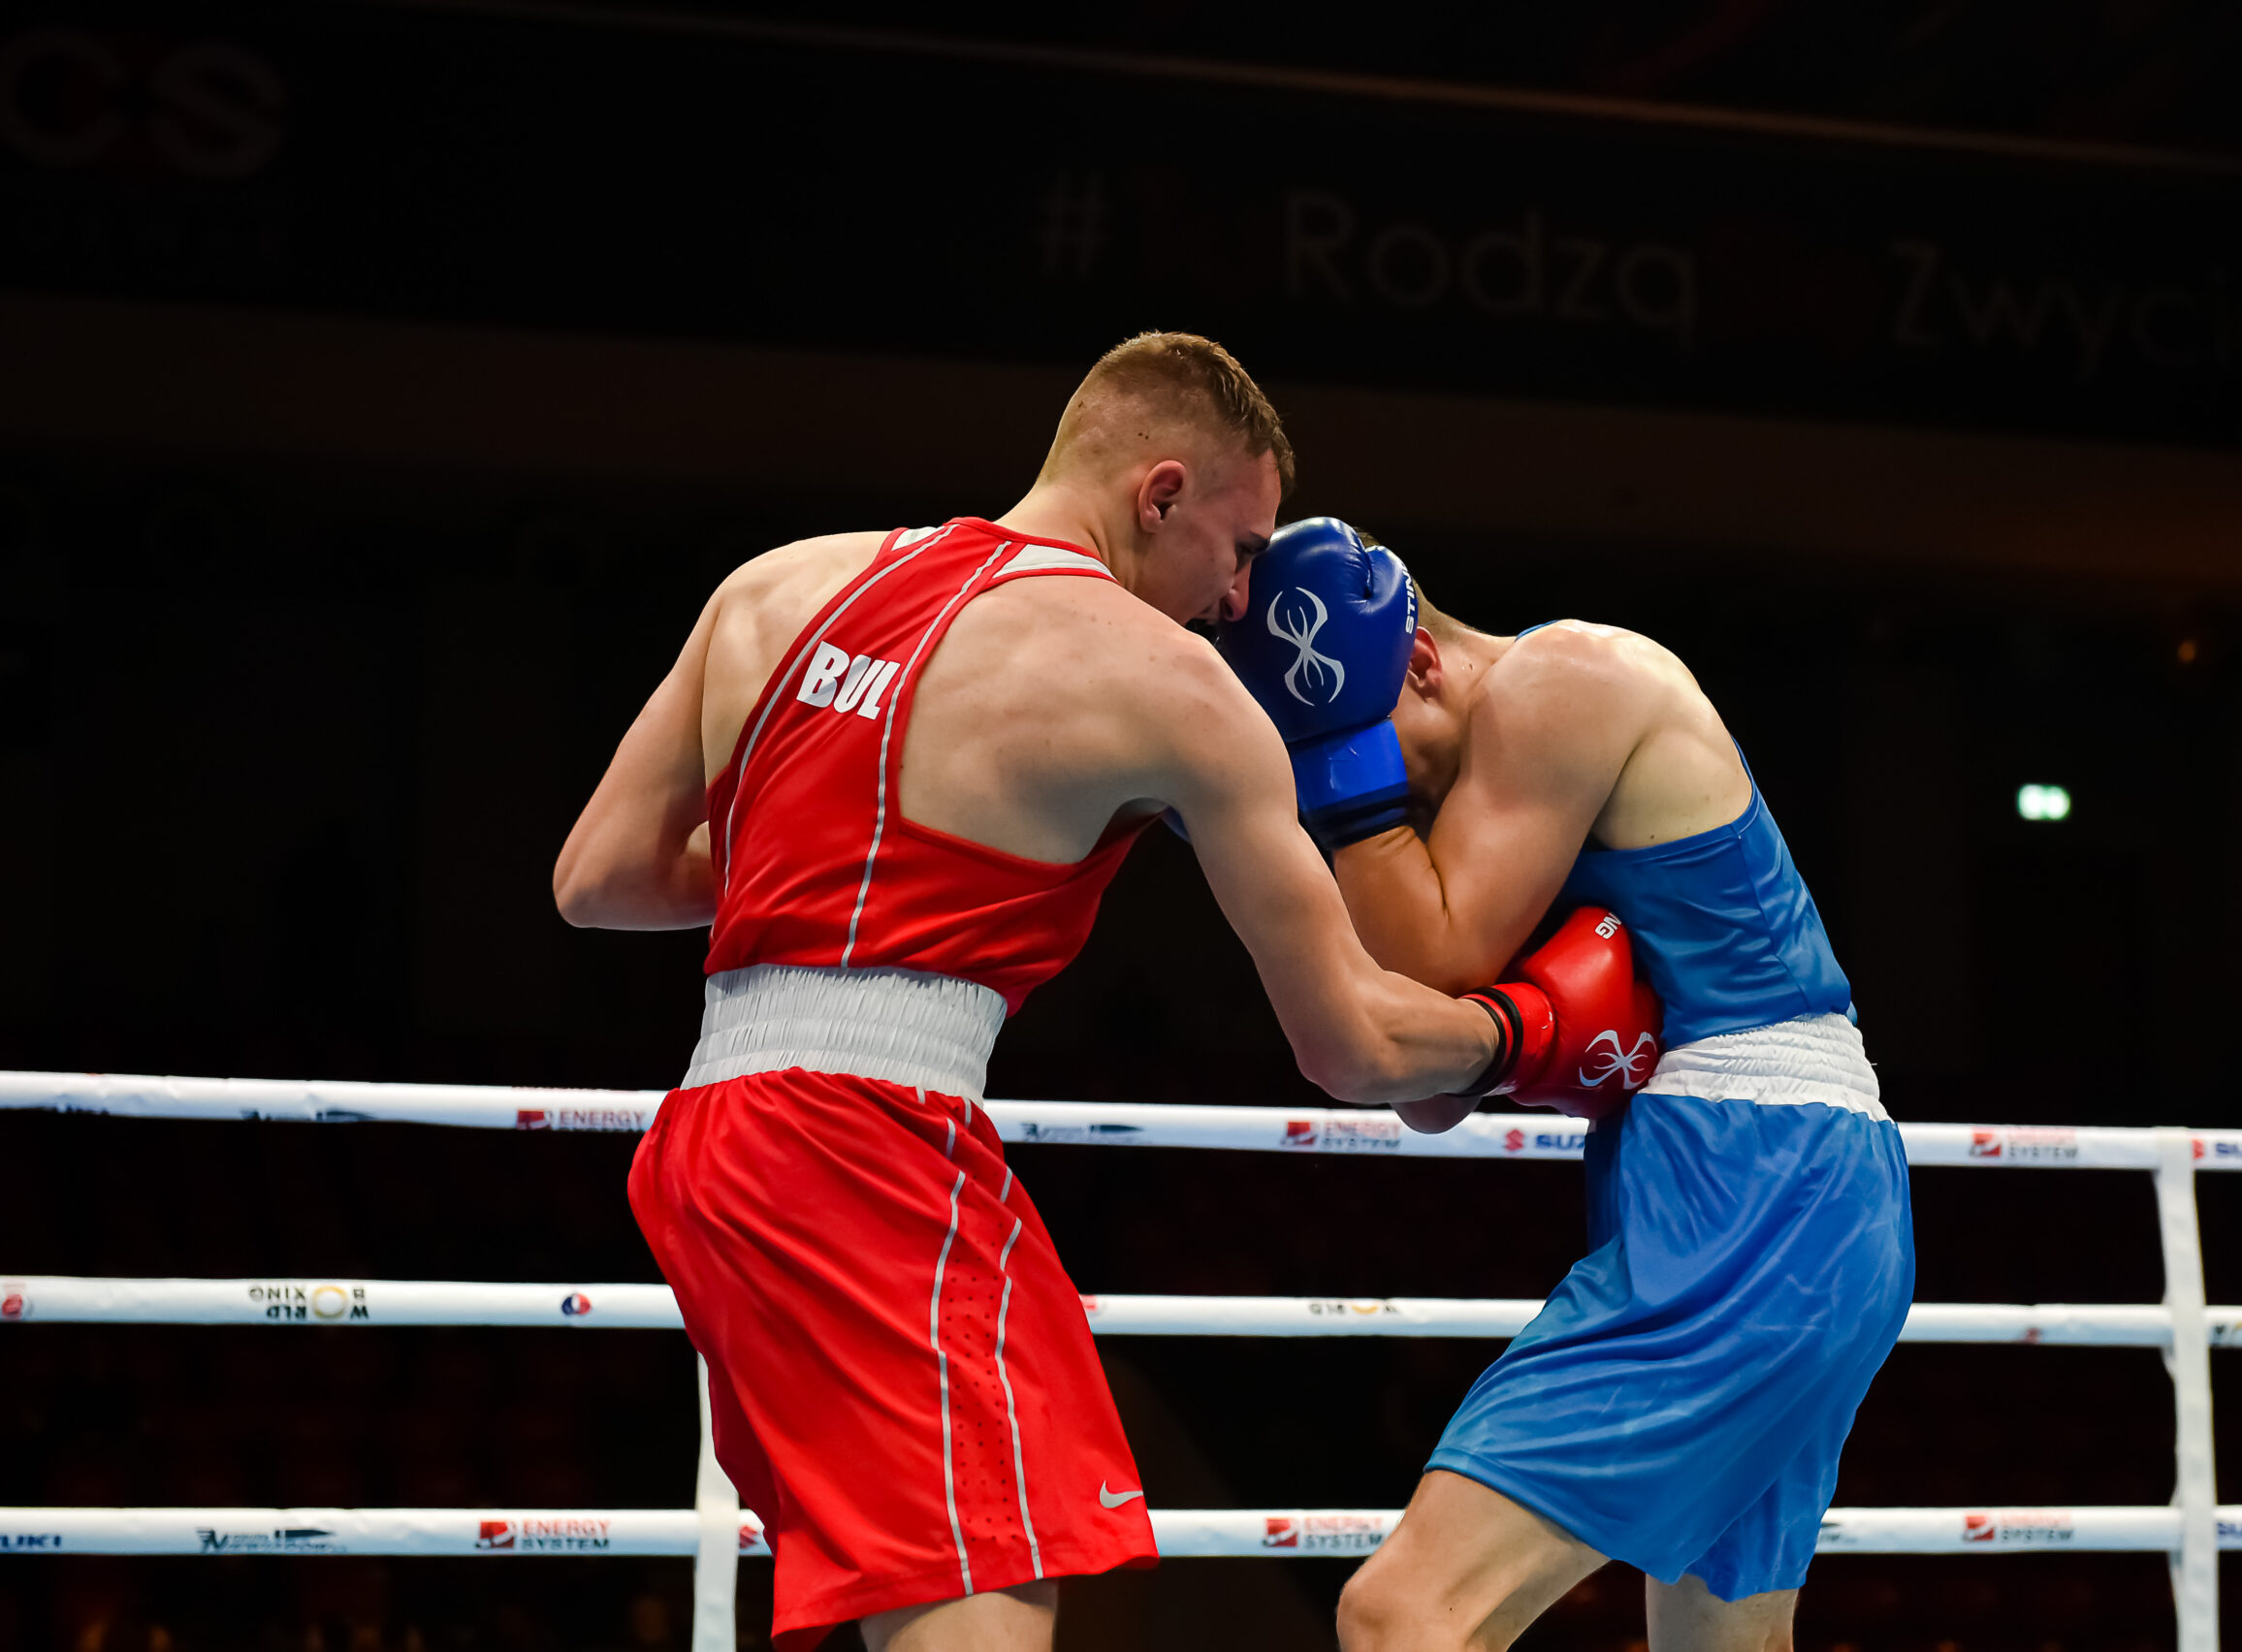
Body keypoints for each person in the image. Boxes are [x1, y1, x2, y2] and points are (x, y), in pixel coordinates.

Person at [551, 335, 1657, 1652]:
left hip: (711, 1143)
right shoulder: (1168, 684)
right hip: (864, 1152)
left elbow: (599, 876)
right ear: (1160, 493)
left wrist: (850, 862)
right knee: (986, 1604)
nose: (1241, 599)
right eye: (1240, 549)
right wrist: (1527, 1033)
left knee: (953, 1580)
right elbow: (1353, 1044)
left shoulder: (773, 586)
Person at [1216, 519, 1916, 1652]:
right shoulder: (1489, 809)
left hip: (1758, 1182)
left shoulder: (1563, 679)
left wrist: (1351, 784)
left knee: (1401, 1614)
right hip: (1760, 1185)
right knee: (1721, 1643)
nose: (1376, 789)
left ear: (1420, 662)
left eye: (1370, 742)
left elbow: (1430, 972)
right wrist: (1499, 1025)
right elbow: (1422, 1087)